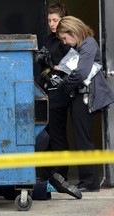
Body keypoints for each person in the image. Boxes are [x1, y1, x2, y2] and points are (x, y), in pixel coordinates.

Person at [56, 16, 114, 192]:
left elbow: (81, 73)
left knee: (83, 139)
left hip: (84, 97)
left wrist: (65, 84)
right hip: (82, 96)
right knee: (81, 138)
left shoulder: (88, 44)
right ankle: (87, 181)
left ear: (72, 32)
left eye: (65, 38)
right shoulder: (84, 45)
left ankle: (89, 182)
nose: (66, 43)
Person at [35, 2, 71, 182]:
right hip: (46, 91)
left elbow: (69, 67)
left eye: (55, 20)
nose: (52, 24)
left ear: (63, 20)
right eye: (49, 20)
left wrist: (51, 64)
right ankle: (46, 174)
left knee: (57, 135)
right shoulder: (49, 39)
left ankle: (61, 176)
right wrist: (41, 60)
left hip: (59, 93)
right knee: (45, 134)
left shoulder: (66, 40)